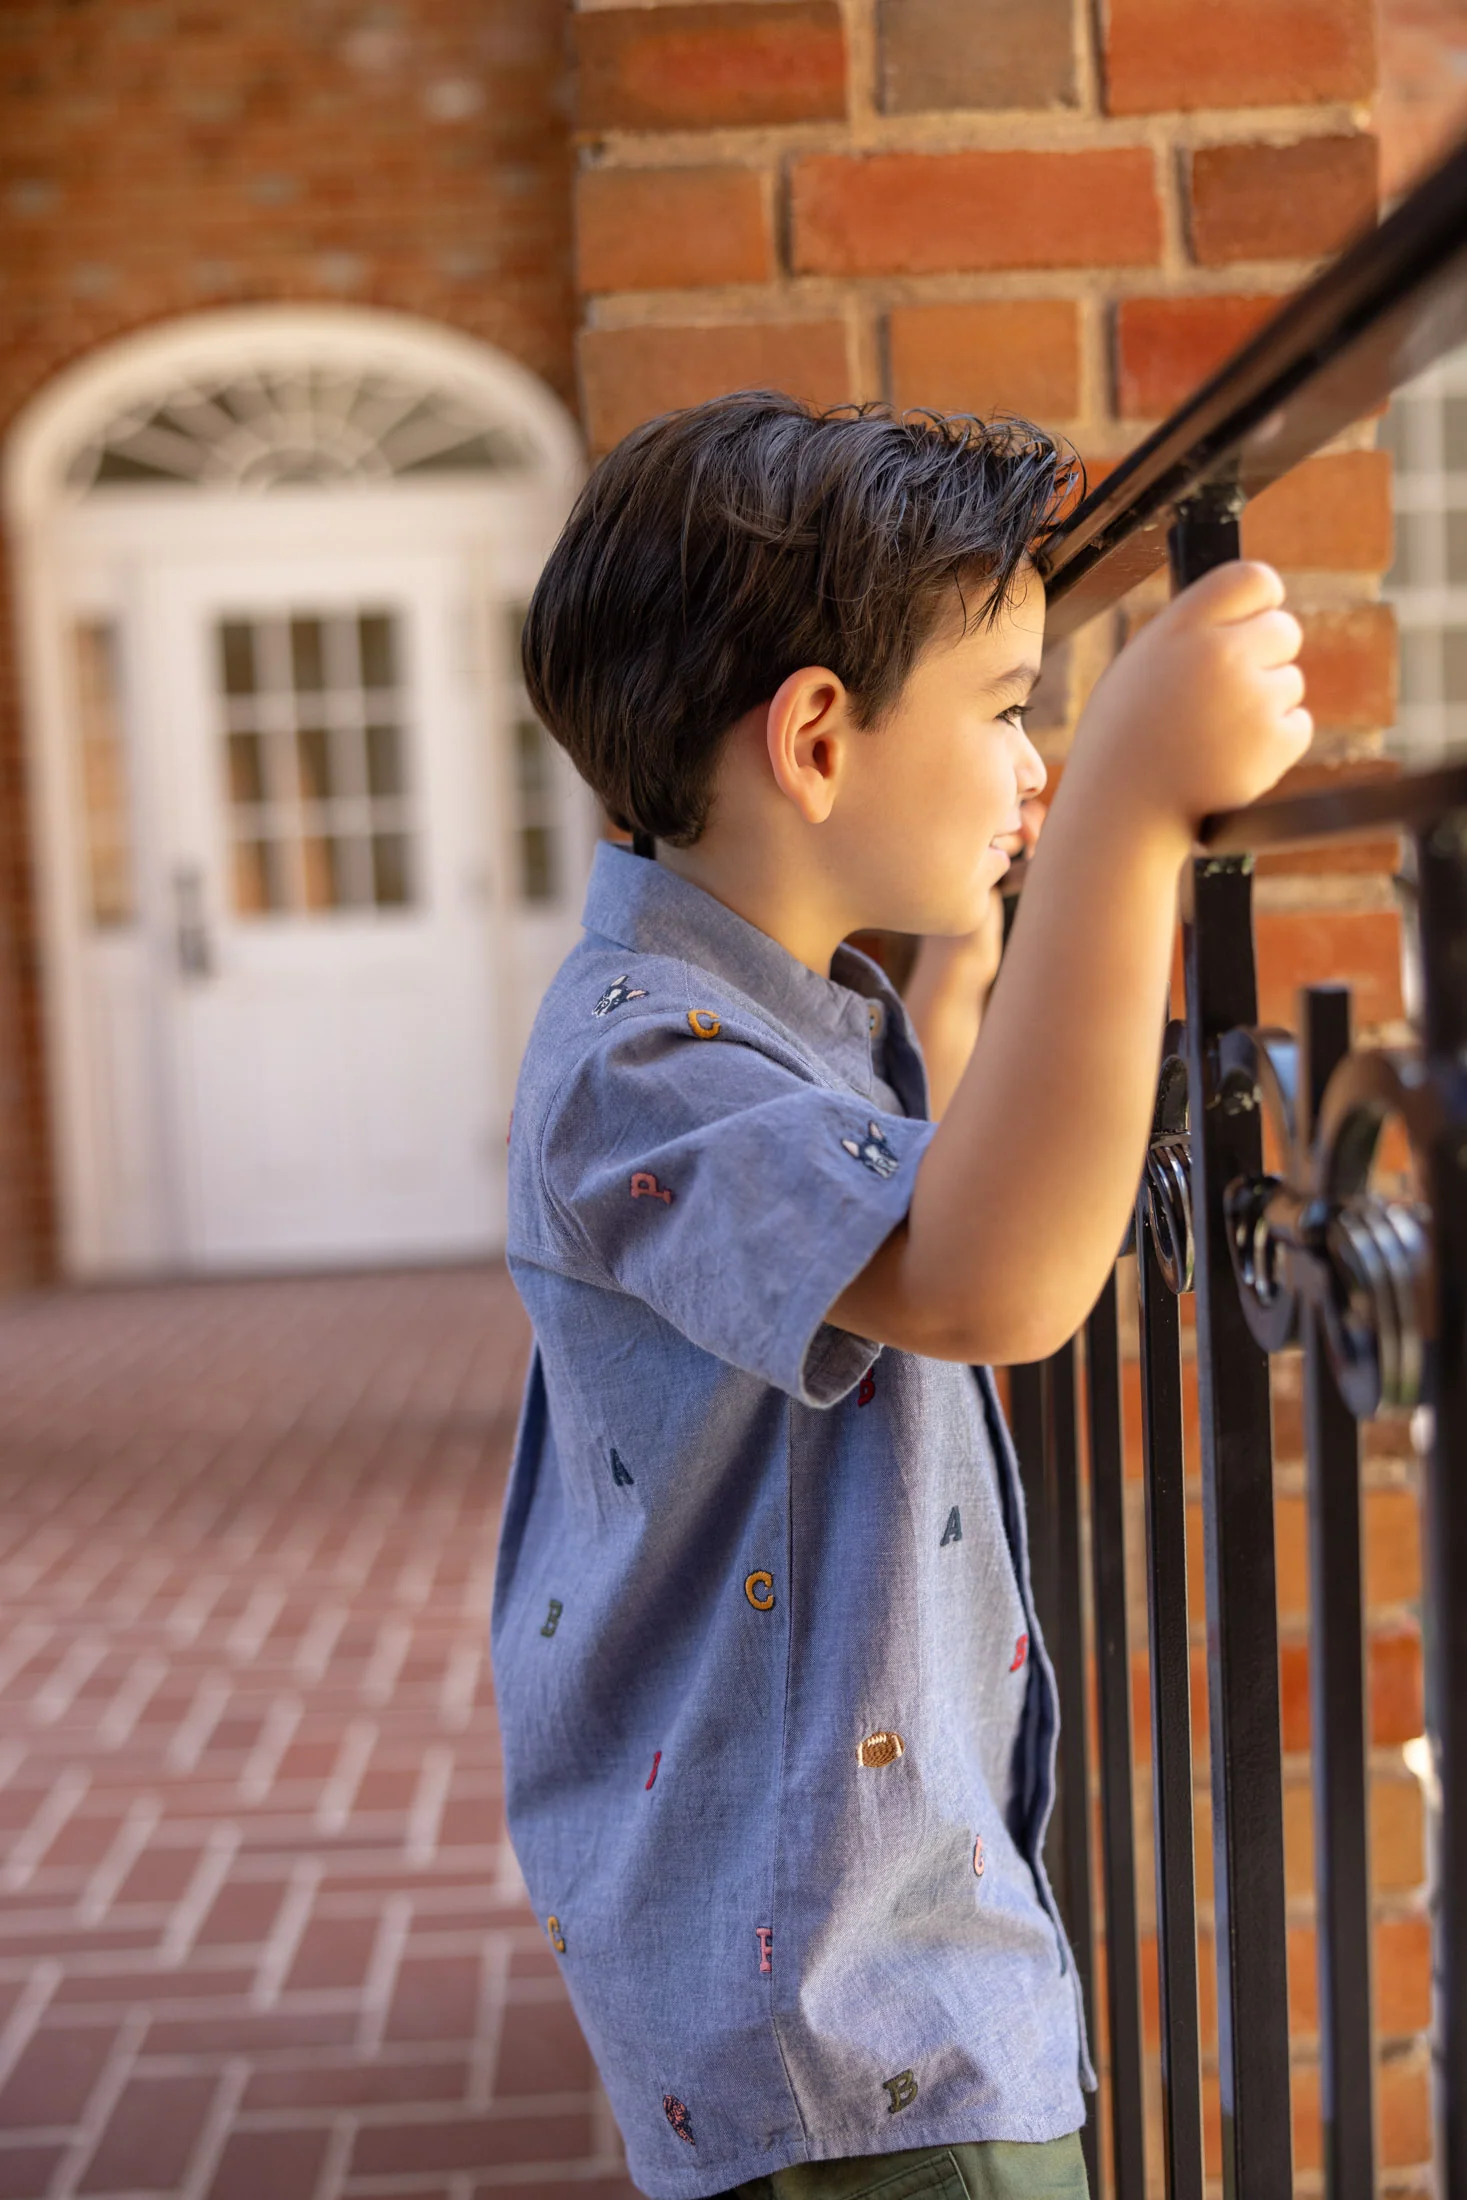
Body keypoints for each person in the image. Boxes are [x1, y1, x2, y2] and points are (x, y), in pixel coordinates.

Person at [491, 393, 1309, 2200]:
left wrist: (963, 961)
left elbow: (904, 1149)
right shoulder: (648, 1068)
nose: (1032, 763)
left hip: (845, 1981)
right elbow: (986, 1277)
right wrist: (1126, 815)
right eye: (1011, 714)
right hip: (854, 2036)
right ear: (812, 738)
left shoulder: (745, 1008)